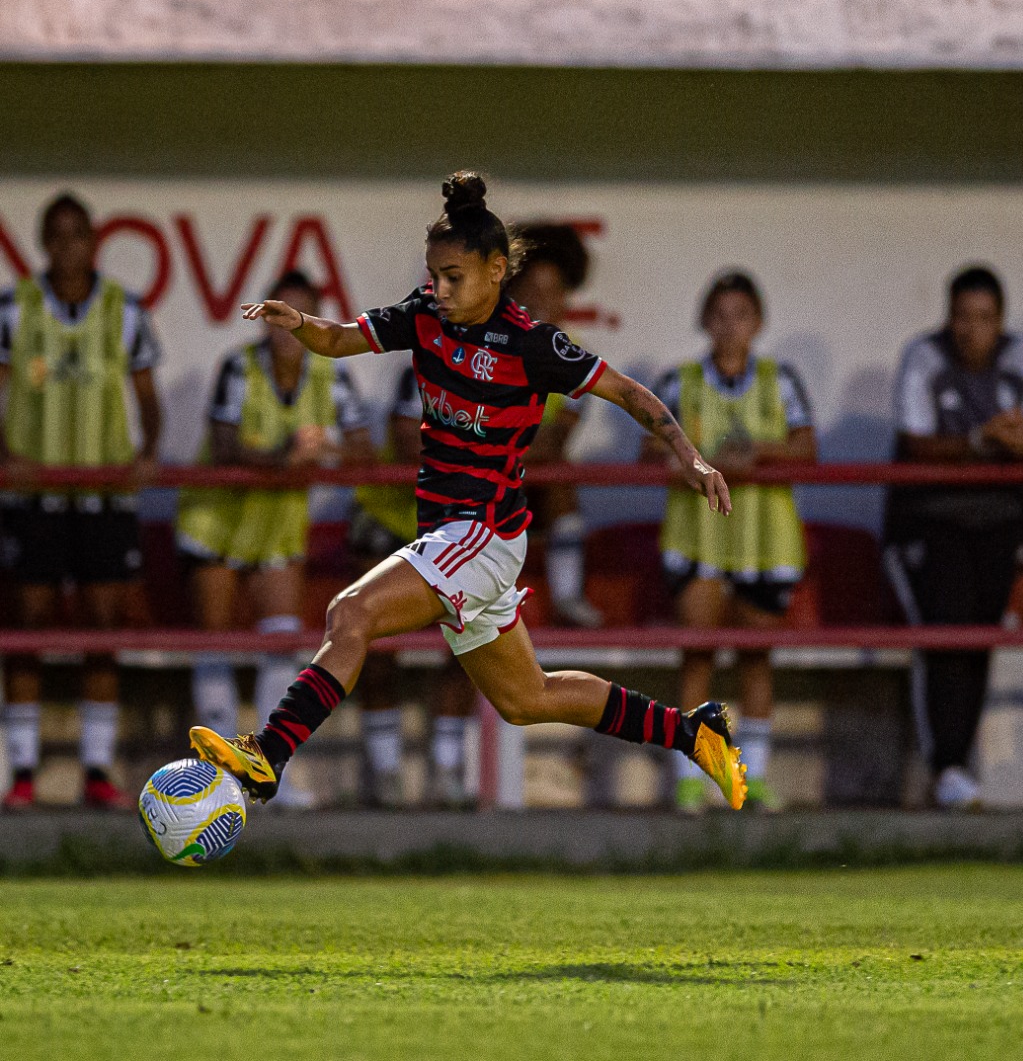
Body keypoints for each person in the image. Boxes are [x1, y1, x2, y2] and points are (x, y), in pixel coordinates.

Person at [187, 171, 747, 816]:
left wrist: (691, 457)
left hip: (480, 533)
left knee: (351, 614)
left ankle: (270, 752)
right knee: (526, 699)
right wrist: (302, 323)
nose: (440, 289)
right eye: (434, 275)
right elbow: (341, 340)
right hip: (456, 537)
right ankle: (691, 730)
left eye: (454, 276)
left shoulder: (534, 345)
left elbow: (627, 392)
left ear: (496, 270)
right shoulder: (425, 317)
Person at [176, 270, 374, 810]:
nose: (289, 329)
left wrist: (324, 446)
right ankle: (208, 782)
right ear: (265, 321)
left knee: (282, 643)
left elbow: (362, 449)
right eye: (280, 316)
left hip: (279, 521)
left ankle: (267, 768)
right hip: (219, 517)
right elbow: (222, 445)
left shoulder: (329, 377)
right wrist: (284, 456)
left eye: (301, 316)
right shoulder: (238, 366)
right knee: (214, 644)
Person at [0, 192, 163, 810]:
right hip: (34, 494)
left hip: (103, 495)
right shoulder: (15, 306)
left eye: (79, 235)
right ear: (43, 242)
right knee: (28, 630)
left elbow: (146, 396)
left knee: (101, 631)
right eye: (57, 235)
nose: (69, 246)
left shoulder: (125, 308)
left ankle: (97, 770)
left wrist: (146, 451)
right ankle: (22, 774)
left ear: (95, 242)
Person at [882, 265, 1023, 810]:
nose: (970, 329)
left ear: (1000, 320)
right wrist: (982, 440)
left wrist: (1019, 441)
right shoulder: (924, 357)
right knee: (945, 635)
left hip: (999, 522)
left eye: (983, 318)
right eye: (961, 316)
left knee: (978, 637)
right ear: (947, 315)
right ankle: (947, 765)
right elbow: (915, 444)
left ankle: (956, 768)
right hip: (932, 521)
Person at [647, 271, 815, 812]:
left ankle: (753, 782)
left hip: (764, 537)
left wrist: (758, 456)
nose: (729, 326)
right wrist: (703, 463)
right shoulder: (680, 382)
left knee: (756, 659)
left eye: (740, 315)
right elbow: (649, 454)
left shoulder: (779, 379)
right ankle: (694, 780)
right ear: (703, 320)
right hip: (700, 537)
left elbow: (806, 447)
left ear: (758, 322)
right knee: (698, 656)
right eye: (719, 315)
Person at [349, 363, 477, 808]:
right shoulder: (423, 371)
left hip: (456, 529)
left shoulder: (508, 372)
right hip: (391, 518)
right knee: (377, 646)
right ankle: (386, 776)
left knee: (469, 644)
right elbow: (408, 444)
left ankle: (447, 770)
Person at [508, 223, 603, 628]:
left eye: (553, 292)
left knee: (559, 474)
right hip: (481, 480)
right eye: (533, 291)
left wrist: (507, 451)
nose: (542, 302)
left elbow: (558, 435)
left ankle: (567, 597)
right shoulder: (486, 344)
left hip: (523, 475)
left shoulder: (573, 353)